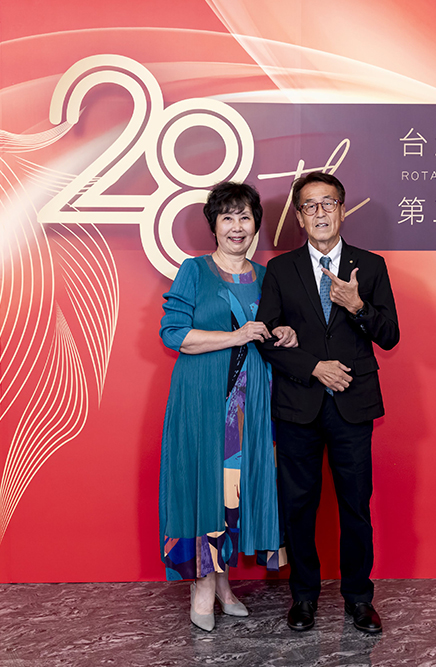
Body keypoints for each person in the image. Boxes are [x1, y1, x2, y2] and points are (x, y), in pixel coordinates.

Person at [256, 172, 399, 634]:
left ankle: (359, 598)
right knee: (299, 506)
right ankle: (304, 596)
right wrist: (314, 367)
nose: (320, 212)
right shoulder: (280, 269)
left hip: (352, 405)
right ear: (299, 217)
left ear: (342, 209)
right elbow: (266, 337)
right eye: (310, 206)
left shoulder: (370, 266)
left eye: (328, 203)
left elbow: (390, 336)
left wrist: (357, 306)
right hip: (298, 405)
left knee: (355, 505)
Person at [158, 181, 295, 632]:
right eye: (227, 217)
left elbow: (272, 332)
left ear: (256, 224)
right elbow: (175, 335)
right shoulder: (195, 270)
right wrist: (236, 336)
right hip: (203, 398)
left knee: (233, 490)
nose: (237, 227)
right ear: (214, 226)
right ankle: (201, 586)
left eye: (245, 217)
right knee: (204, 487)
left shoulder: (267, 275)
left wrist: (285, 333)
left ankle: (222, 584)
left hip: (250, 405)